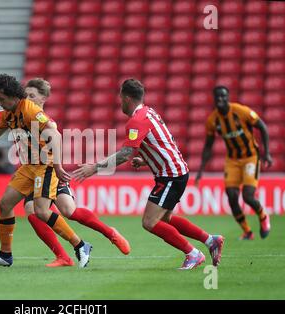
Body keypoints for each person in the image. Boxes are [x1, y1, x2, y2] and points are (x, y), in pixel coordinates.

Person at [0, 78, 130, 267]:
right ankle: (18, 255)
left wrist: (57, 166)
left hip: (47, 166)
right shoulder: (11, 113)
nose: (29, 98)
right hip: (29, 168)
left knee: (66, 211)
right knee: (12, 206)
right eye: (28, 94)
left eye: (32, 95)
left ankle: (101, 237)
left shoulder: (34, 113)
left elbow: (55, 136)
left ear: (43, 99)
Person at [73, 79, 225, 270]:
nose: (119, 101)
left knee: (149, 222)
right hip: (176, 172)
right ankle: (211, 240)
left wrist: (94, 168)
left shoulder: (136, 121)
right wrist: (146, 160)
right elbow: (166, 142)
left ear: (127, 98)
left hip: (170, 175)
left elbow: (126, 154)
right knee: (165, 219)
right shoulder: (149, 112)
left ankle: (193, 254)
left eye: (120, 97)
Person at [195, 86, 272, 240]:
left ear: (228, 97)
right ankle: (247, 231)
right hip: (232, 160)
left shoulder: (241, 111)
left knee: (248, 196)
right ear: (214, 99)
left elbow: (262, 127)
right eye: (217, 97)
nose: (220, 100)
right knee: (231, 196)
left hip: (251, 157)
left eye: (223, 97)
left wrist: (267, 153)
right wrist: (200, 170)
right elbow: (208, 146)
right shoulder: (213, 120)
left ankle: (263, 216)